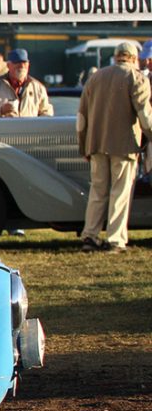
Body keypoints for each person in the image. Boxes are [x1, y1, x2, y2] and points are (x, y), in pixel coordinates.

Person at [77, 41, 152, 253]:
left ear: (116, 56)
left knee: (97, 191)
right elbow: (145, 118)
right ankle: (116, 239)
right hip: (124, 145)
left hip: (96, 145)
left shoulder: (95, 77)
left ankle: (89, 236)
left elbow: (81, 118)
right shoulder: (137, 78)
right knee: (120, 192)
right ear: (133, 58)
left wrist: (84, 147)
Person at [0, 49, 54, 118]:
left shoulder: (38, 88)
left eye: (24, 63)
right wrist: (1, 110)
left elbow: (47, 112)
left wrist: (37, 126)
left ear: (28, 64)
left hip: (29, 134)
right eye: (17, 62)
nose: (22, 66)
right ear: (8, 65)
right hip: (5, 134)